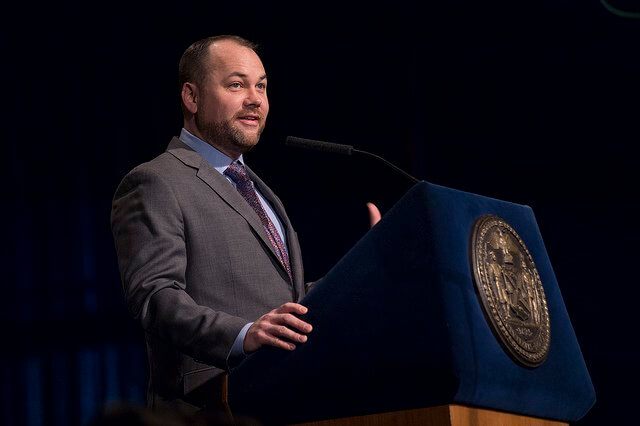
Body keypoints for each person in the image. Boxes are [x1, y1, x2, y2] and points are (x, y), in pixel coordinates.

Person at [111, 35, 379, 412]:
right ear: (192, 97)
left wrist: (365, 267)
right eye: (236, 84)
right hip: (210, 407)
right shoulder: (156, 182)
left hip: (286, 399)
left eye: (262, 86)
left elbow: (289, 306)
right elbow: (156, 298)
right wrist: (242, 334)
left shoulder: (261, 191)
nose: (255, 98)